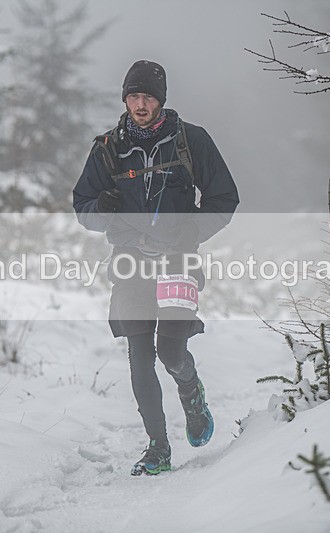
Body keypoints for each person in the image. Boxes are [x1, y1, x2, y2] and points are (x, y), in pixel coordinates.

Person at [73, 60, 239, 475]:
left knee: (170, 349)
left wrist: (190, 233)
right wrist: (101, 209)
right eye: (133, 96)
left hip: (178, 259)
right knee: (139, 355)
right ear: (125, 99)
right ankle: (158, 447)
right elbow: (83, 208)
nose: (140, 104)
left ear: (160, 101)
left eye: (147, 97)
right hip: (129, 262)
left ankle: (191, 390)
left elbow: (224, 199)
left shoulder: (191, 141)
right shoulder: (109, 146)